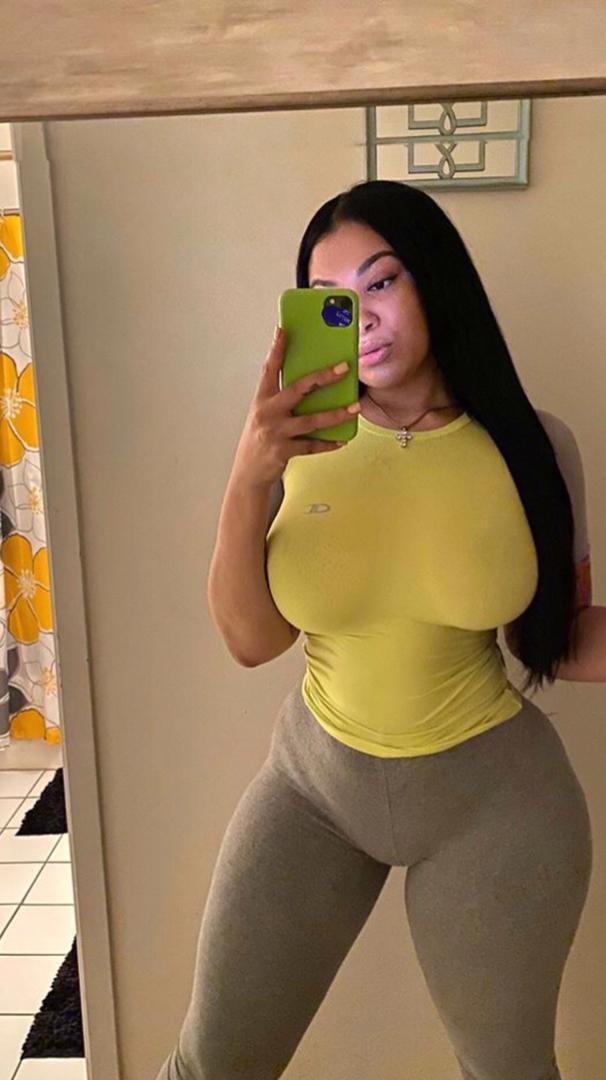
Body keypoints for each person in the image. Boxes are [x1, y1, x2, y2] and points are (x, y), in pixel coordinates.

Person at [156, 180, 595, 1080]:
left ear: (436, 278)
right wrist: (248, 476)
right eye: (331, 301)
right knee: (212, 1064)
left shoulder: (536, 447)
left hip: (496, 803)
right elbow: (251, 641)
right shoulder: (293, 446)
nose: (361, 319)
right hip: (314, 790)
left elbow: (553, 638)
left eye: (382, 281)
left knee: (509, 1071)